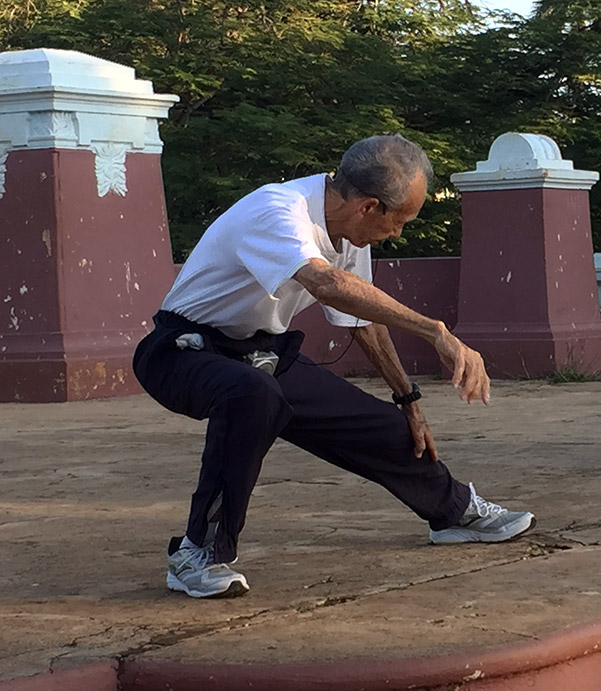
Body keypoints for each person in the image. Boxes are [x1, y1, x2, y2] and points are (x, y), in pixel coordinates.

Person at [133, 134, 535, 599]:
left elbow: (361, 318)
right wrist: (435, 331)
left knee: (387, 425)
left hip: (261, 353)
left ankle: (454, 512)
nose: (398, 233)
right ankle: (196, 553)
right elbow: (326, 284)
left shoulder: (347, 233)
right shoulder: (278, 210)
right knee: (251, 395)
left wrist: (408, 400)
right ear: (368, 206)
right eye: (398, 221)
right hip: (182, 350)